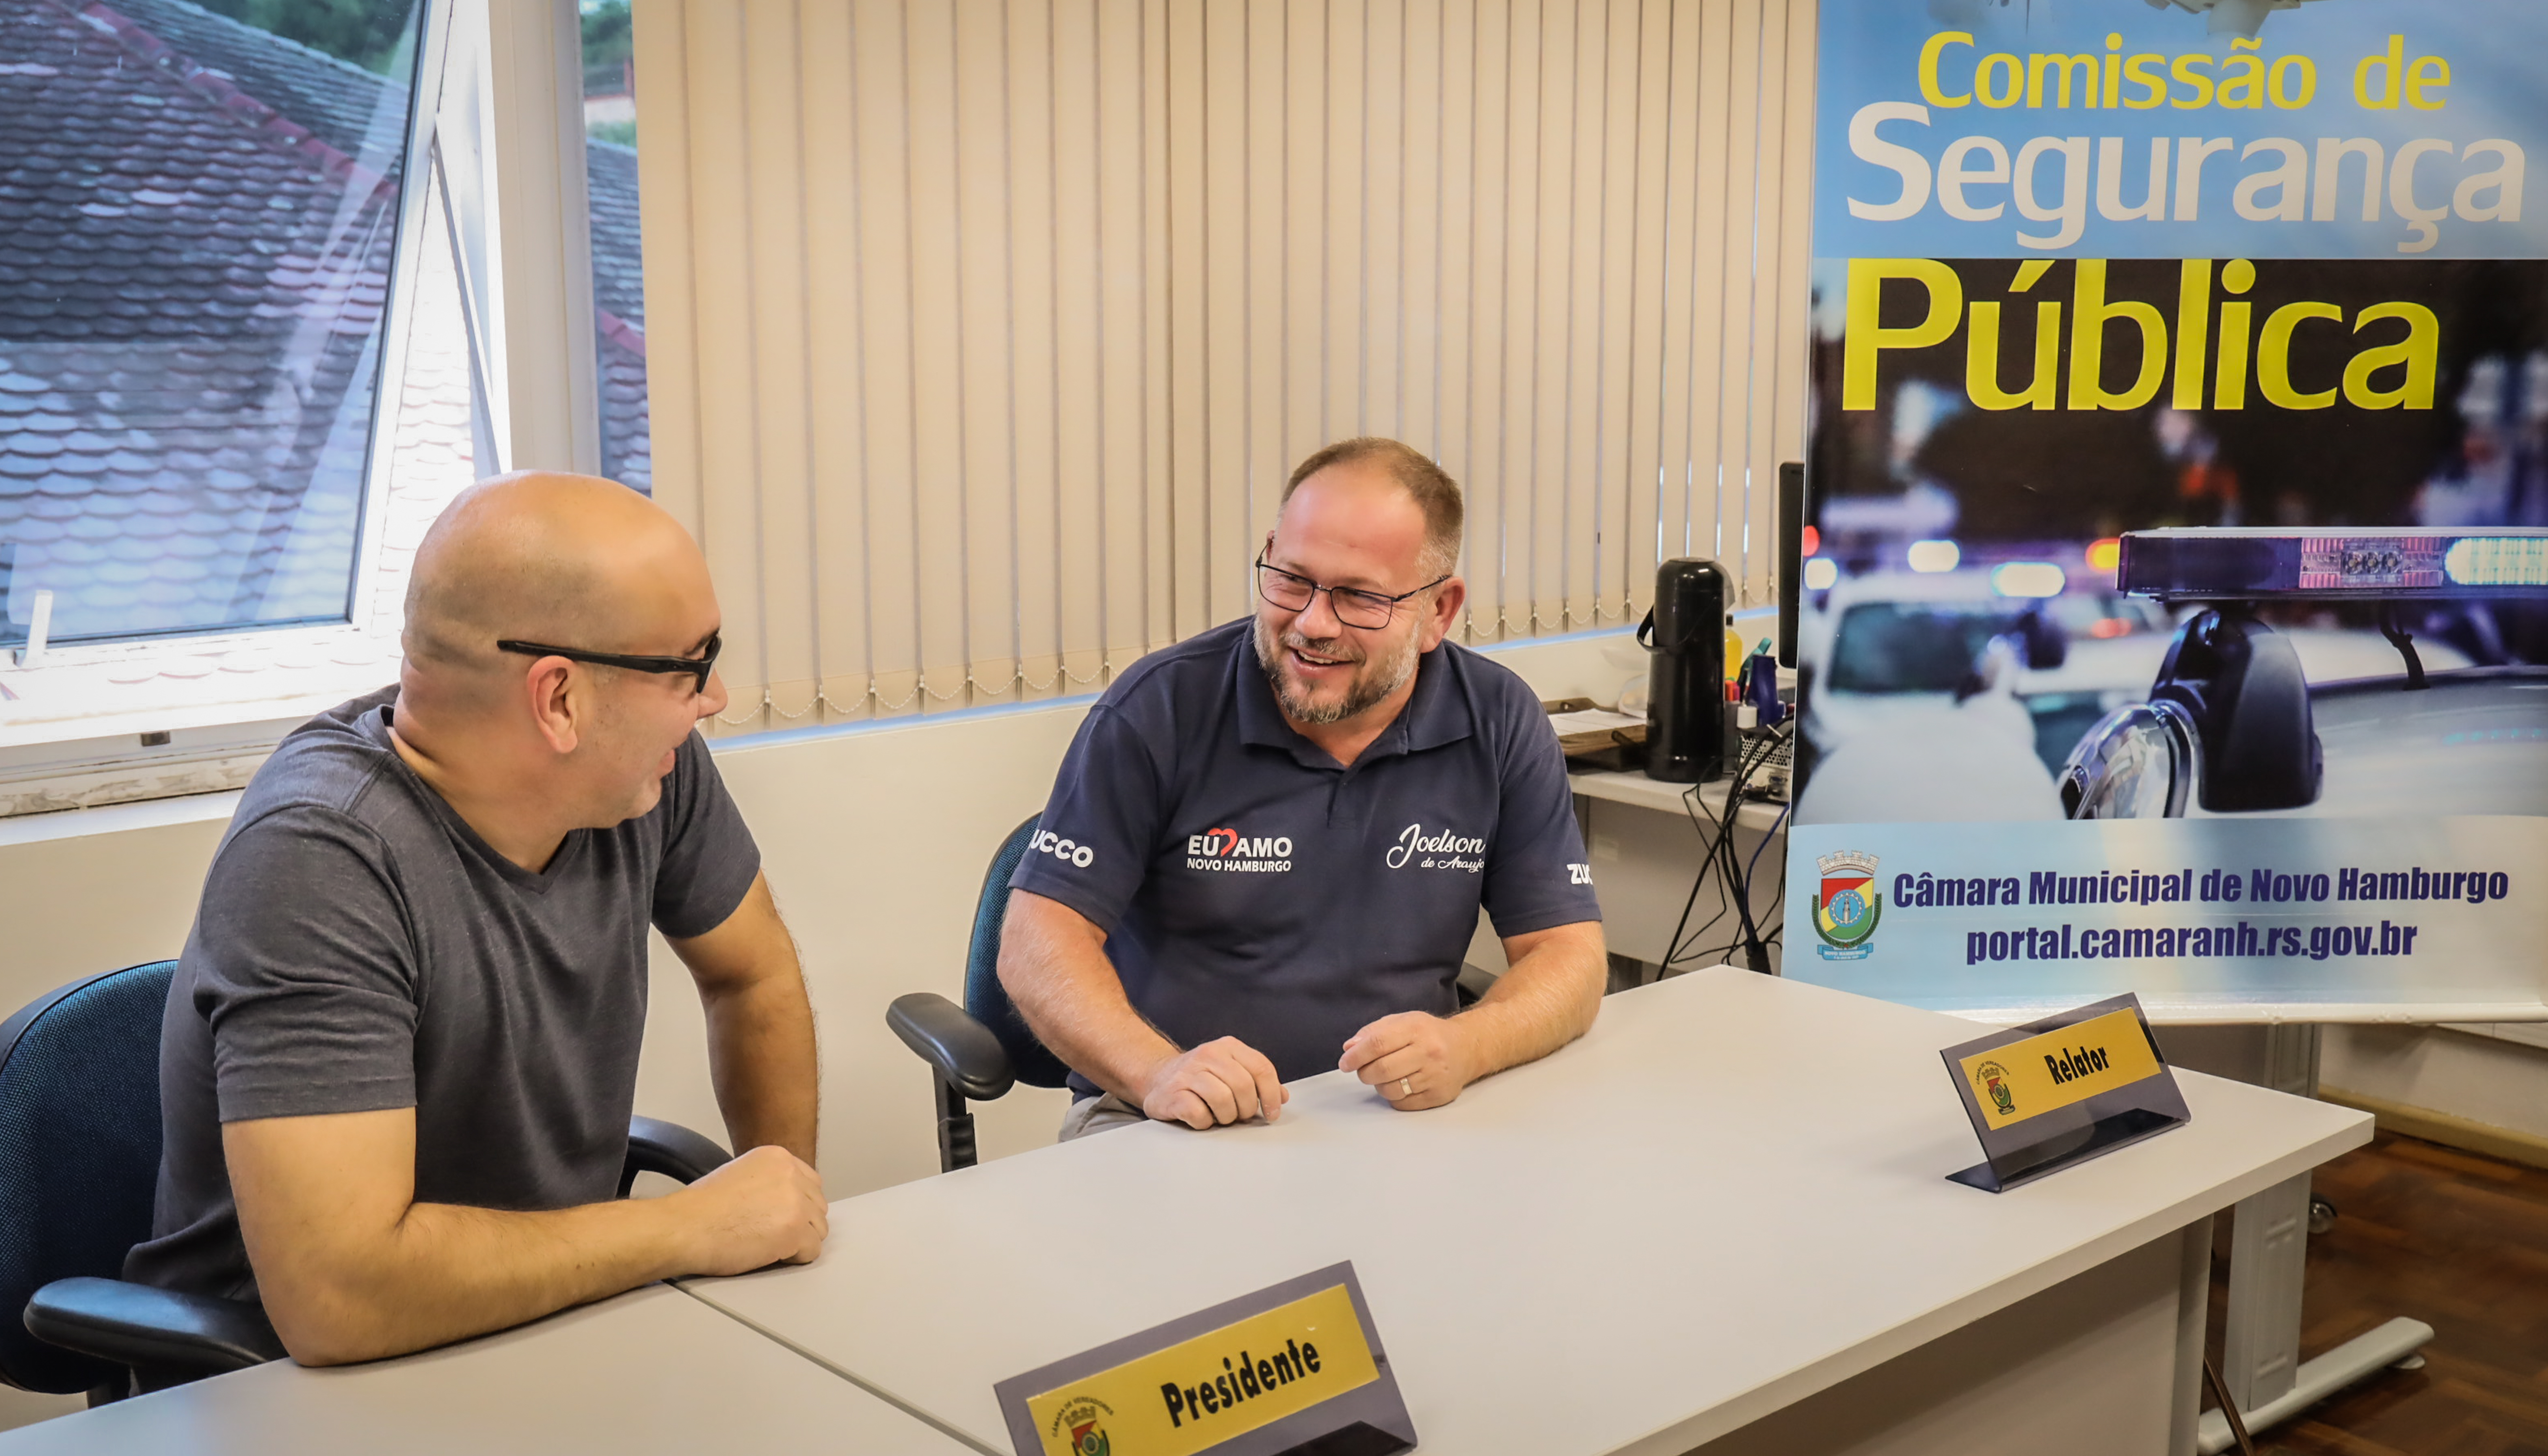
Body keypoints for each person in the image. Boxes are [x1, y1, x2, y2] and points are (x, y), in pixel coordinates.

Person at [125, 472, 827, 1366]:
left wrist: (780, 1210)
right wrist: (690, 1227)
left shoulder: (642, 770)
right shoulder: (317, 861)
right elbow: (338, 1300)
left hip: (543, 1322)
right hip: (284, 1380)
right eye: (691, 664)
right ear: (560, 699)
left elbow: (751, 975)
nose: (713, 695)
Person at [1000, 437, 1607, 1139]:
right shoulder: (1159, 709)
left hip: (1394, 1113)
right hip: (1165, 1117)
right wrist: (1157, 1073)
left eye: (1359, 597)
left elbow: (1568, 954)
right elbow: (1035, 944)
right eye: (1291, 580)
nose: (1313, 624)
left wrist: (1471, 1043)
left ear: (1439, 611)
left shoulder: (1497, 718)